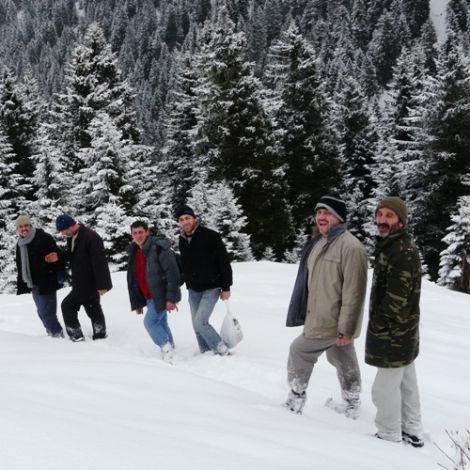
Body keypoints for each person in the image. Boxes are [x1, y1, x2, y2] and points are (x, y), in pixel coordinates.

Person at [285, 194, 368, 416]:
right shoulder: (319, 242)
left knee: (299, 351)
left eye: (327, 213)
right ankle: (352, 403)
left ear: (339, 218)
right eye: (318, 212)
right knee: (341, 357)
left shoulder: (351, 248)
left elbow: (354, 292)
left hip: (331, 321)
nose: (321, 217)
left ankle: (295, 397)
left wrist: (346, 328)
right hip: (318, 315)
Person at [366, 197, 424, 447]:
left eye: (389, 216)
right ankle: (412, 429)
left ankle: (388, 433)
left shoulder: (401, 252)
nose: (382, 220)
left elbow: (396, 297)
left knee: (384, 389)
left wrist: (380, 323)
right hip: (404, 331)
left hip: (394, 332)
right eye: (380, 215)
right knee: (406, 382)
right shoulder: (394, 246)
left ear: (401, 220)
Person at [176, 205, 232, 356]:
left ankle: (222, 350)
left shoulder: (210, 236)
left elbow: (224, 262)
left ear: (194, 218)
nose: (185, 222)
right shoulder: (182, 239)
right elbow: (185, 264)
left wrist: (226, 287)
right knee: (196, 325)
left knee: (200, 322)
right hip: (193, 289)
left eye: (187, 218)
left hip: (211, 286)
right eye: (181, 220)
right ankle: (205, 353)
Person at [127, 221, 181, 361]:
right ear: (132, 235)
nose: (138, 235)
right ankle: (171, 347)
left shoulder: (159, 247)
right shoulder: (135, 251)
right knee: (161, 322)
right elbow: (135, 279)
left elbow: (172, 273)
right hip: (149, 296)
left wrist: (171, 298)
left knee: (150, 322)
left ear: (147, 232)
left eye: (141, 232)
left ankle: (166, 349)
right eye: (135, 233)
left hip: (161, 295)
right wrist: (138, 303)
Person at [54, 214, 112, 342]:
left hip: (88, 282)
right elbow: (73, 254)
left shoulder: (90, 237)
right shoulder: (74, 236)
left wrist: (103, 285)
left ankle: (76, 336)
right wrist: (59, 256)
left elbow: (100, 262)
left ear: (69, 226)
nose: (63, 234)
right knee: (92, 306)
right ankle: (100, 334)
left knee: (67, 306)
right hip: (82, 281)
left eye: (63, 230)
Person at [15, 215, 64, 337]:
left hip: (47, 281)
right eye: (20, 227)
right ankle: (51, 333)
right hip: (34, 283)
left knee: (47, 312)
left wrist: (60, 274)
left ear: (31, 226)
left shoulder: (43, 238)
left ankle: (57, 335)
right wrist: (22, 282)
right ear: (17, 229)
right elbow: (20, 265)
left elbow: (58, 255)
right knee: (41, 313)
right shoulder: (20, 243)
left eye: (26, 225)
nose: (24, 229)